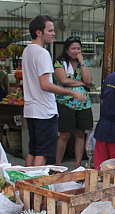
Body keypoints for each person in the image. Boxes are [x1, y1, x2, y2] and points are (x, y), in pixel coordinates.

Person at [22, 15, 85, 166]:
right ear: (38, 32)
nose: (53, 33)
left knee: (33, 150)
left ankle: (25, 184)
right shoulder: (42, 53)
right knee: (42, 153)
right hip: (44, 111)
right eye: (50, 30)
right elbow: (45, 85)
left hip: (31, 109)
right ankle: (36, 185)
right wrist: (72, 92)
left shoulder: (27, 51)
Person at [54, 36, 93, 168]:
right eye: (73, 48)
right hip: (65, 102)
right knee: (64, 134)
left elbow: (88, 80)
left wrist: (82, 62)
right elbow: (63, 81)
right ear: (66, 49)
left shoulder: (84, 62)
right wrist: (81, 83)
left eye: (78, 48)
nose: (76, 51)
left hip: (83, 103)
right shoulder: (60, 63)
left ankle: (78, 165)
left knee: (80, 133)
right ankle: (58, 164)